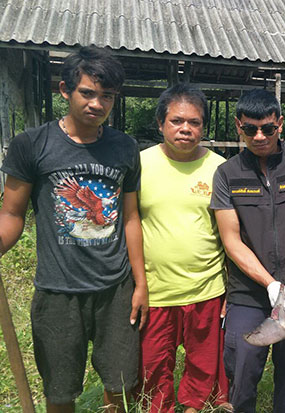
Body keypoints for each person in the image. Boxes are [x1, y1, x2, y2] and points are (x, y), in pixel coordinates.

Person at [0, 46, 147, 412]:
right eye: (87, 93)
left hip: (115, 289)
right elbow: (12, 212)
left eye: (107, 96)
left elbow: (130, 218)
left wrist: (140, 284)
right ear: (64, 90)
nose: (97, 104)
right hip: (58, 289)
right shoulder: (32, 145)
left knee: (122, 383)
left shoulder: (125, 148)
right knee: (60, 390)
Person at [210, 89, 285, 413]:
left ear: (280, 124)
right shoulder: (227, 174)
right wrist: (269, 283)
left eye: (267, 128)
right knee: (243, 369)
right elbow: (231, 240)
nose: (259, 136)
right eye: (250, 129)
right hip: (248, 293)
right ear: (238, 126)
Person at [138, 83, 230, 412]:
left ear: (203, 126)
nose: (186, 129)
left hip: (205, 286)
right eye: (177, 121)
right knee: (152, 363)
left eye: (195, 122)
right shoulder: (139, 164)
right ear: (161, 123)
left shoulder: (220, 168)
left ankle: (194, 405)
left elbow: (232, 234)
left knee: (204, 360)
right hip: (154, 289)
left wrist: (231, 288)